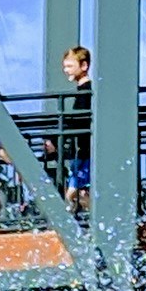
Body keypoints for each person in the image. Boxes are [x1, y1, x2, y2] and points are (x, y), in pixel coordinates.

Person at [52, 39, 93, 222]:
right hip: (82, 150)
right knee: (78, 193)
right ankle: (88, 223)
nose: (65, 70)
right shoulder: (85, 91)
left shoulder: (86, 91)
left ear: (83, 66)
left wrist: (56, 137)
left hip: (85, 150)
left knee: (74, 193)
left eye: (69, 66)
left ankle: (73, 224)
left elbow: (79, 120)